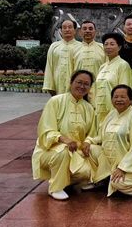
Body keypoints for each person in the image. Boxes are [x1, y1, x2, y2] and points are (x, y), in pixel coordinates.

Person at [32, 70, 98, 200]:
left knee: (86, 173)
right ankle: (55, 188)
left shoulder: (89, 108)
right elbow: (46, 130)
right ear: (71, 82)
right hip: (49, 151)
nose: (82, 86)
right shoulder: (55, 101)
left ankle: (64, 180)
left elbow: (92, 133)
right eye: (79, 82)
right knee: (63, 150)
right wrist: (63, 139)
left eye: (86, 84)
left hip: (75, 152)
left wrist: (87, 142)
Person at [87, 85, 132, 196]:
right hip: (108, 162)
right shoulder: (111, 114)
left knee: (119, 184)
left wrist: (122, 168)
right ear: (111, 100)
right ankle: (106, 177)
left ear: (130, 100)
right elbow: (102, 136)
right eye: (116, 97)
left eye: (123, 97)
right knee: (89, 149)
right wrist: (89, 141)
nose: (119, 100)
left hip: (128, 165)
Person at [94, 33, 132, 124]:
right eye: (106, 44)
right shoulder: (102, 67)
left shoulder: (123, 65)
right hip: (99, 110)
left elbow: (125, 89)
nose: (108, 47)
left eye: (112, 44)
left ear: (119, 47)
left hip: (114, 110)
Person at [43, 19, 82, 96]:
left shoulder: (81, 47)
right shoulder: (54, 46)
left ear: (75, 30)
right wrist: (50, 87)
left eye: (70, 27)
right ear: (61, 31)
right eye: (64, 27)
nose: (67, 30)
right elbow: (49, 67)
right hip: (58, 86)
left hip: (76, 88)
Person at [74, 20, 106, 101]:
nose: (87, 31)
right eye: (84, 29)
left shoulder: (103, 48)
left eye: (90, 29)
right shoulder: (74, 49)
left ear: (96, 32)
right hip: (79, 90)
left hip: (99, 90)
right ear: (80, 32)